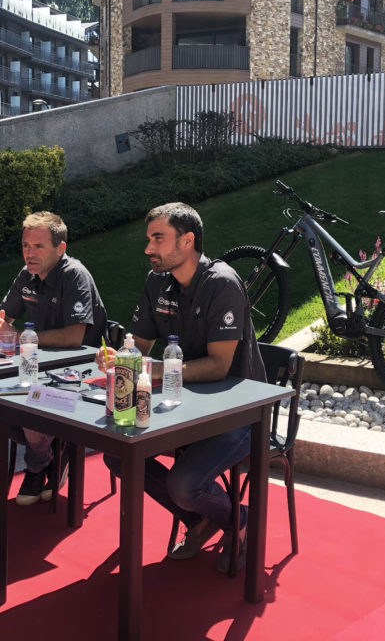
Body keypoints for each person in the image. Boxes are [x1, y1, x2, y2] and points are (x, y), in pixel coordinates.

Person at [97, 202, 265, 573]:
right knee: (118, 456)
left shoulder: (222, 283)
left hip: (241, 413)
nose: (148, 248)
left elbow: (219, 366)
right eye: (148, 239)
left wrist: (155, 371)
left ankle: (239, 518)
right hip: (186, 406)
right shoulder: (157, 281)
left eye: (158, 238)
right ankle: (201, 519)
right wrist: (119, 357)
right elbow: (139, 347)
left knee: (184, 485)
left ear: (187, 241)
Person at [0, 211, 107, 505]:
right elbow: (3, 316)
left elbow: (74, 337)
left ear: (60, 249)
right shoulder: (27, 274)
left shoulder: (74, 275)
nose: (29, 253)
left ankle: (36, 467)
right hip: (35, 368)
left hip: (78, 371)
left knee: (30, 411)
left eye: (38, 246)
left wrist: (19, 336)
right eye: (25, 245)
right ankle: (53, 452)